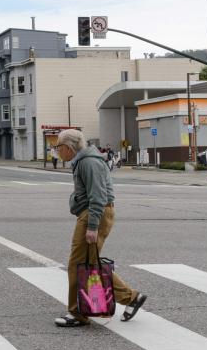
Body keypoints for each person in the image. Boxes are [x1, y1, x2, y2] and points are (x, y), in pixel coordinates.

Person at [53, 129, 147, 328]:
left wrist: (92, 226)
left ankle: (78, 313)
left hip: (94, 214)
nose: (57, 150)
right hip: (93, 213)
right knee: (90, 263)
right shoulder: (84, 161)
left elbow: (99, 195)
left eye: (58, 146)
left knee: (77, 264)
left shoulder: (89, 162)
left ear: (69, 148)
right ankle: (131, 298)